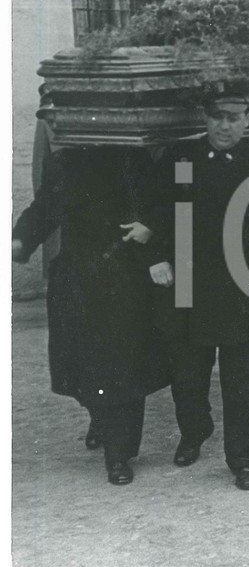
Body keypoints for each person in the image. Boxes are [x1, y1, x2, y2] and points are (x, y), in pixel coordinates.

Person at [12, 145, 173, 485]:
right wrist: (22, 239)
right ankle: (101, 418)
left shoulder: (131, 156)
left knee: (123, 365)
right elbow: (46, 206)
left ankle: (119, 454)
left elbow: (160, 206)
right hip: (78, 277)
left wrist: (154, 246)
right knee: (84, 363)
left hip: (123, 275)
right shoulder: (64, 160)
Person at [158, 79, 249, 491]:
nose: (224, 126)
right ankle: (194, 431)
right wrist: (158, 256)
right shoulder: (184, 160)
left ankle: (244, 459)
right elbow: (164, 211)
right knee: (187, 376)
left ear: (248, 119)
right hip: (189, 288)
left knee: (240, 382)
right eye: (217, 117)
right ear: (205, 117)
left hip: (239, 291)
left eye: (234, 118)